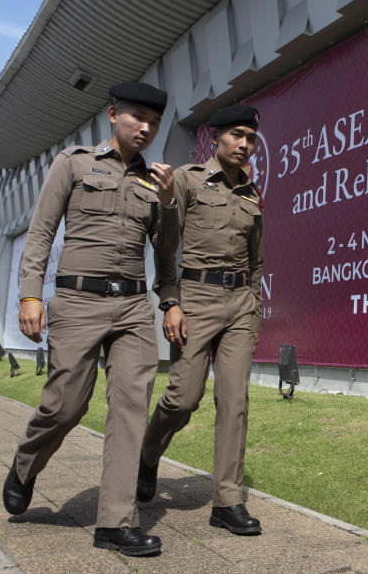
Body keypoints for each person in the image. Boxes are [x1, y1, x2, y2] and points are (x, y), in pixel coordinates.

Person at [4, 82, 178, 557]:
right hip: (77, 302)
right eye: (137, 116)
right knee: (65, 405)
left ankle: (114, 523)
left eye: (155, 122)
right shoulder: (74, 162)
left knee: (129, 409)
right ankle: (25, 464)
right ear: (113, 115)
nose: (145, 127)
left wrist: (168, 204)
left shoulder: (157, 181)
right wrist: (29, 295)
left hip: (132, 309)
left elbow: (165, 252)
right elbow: (40, 231)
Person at [138, 104, 264, 536]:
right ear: (216, 139)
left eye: (251, 138)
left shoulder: (252, 193)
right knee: (183, 397)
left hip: (239, 304)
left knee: (234, 403)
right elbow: (165, 245)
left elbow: (257, 261)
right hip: (194, 298)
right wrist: (170, 301)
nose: (244, 144)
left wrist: (254, 309)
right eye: (237, 135)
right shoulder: (186, 179)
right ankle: (149, 453)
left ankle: (227, 502)